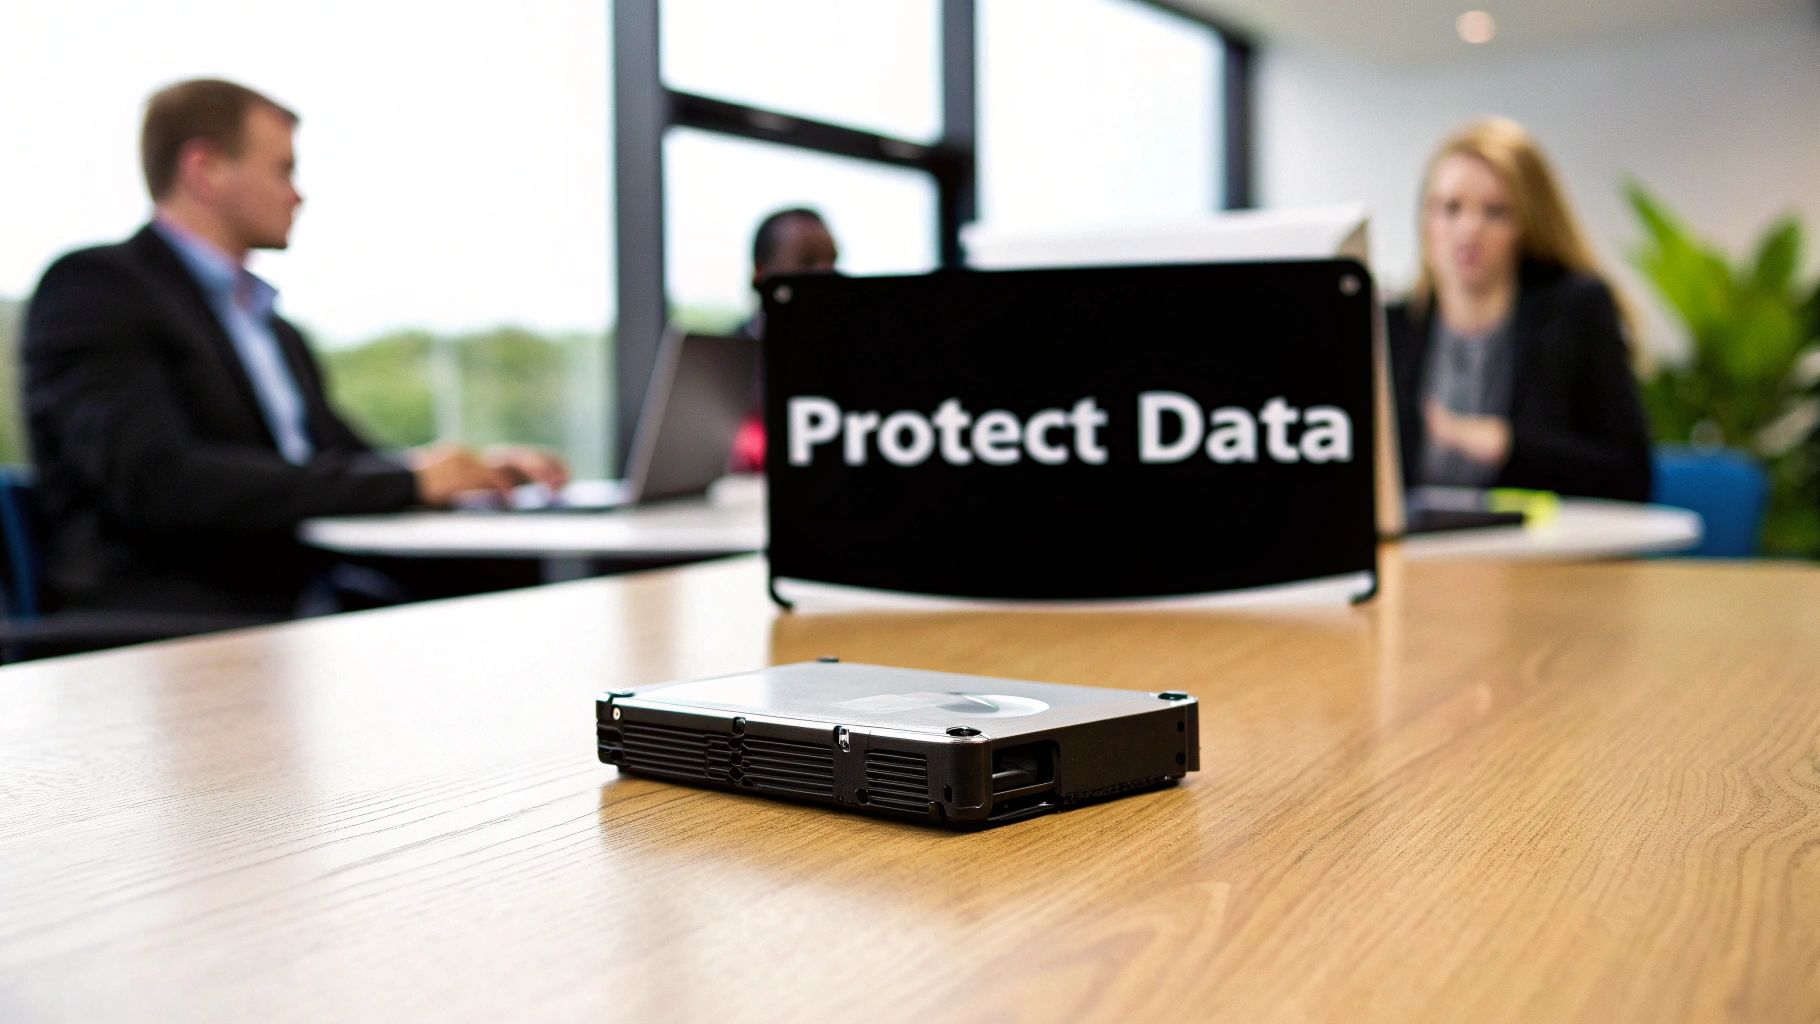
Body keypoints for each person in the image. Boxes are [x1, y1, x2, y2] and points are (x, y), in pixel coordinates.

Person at [22, 79, 567, 618]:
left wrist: (471, 472)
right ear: (205, 169)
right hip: (174, 618)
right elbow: (160, 482)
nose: (298, 194)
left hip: (300, 599)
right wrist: (410, 479)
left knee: (521, 588)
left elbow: (342, 461)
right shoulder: (95, 289)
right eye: (283, 169)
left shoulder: (270, 327)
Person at [1387, 117, 1652, 502]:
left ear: (1528, 222)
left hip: (1542, 553)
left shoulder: (1575, 311)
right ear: (1426, 218)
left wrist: (1504, 444)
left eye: (1495, 212)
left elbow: (1629, 476)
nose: (1468, 229)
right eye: (1450, 208)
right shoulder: (1391, 327)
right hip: (1419, 554)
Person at [729, 207, 839, 471]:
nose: (826, 272)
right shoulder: (724, 363)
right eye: (807, 260)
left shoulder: (850, 354)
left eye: (833, 260)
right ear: (761, 272)